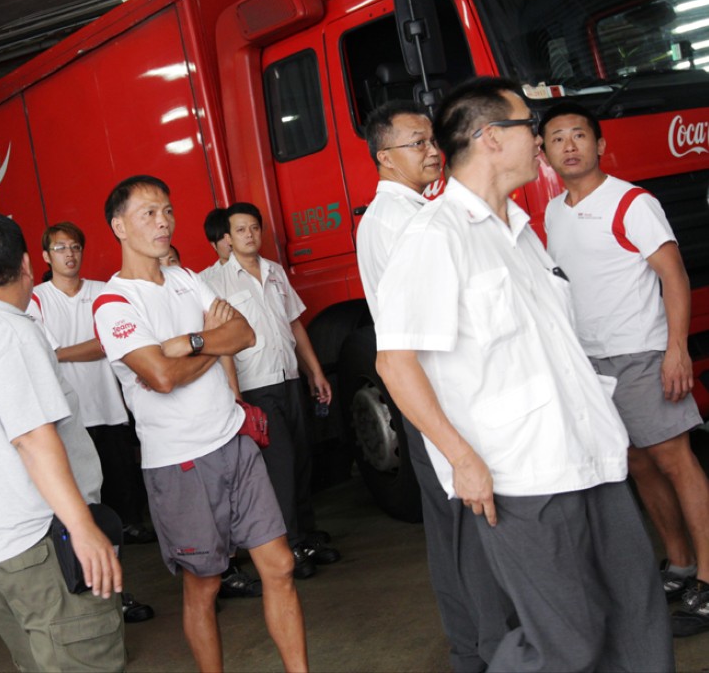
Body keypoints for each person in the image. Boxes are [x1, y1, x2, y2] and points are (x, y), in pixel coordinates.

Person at [374, 77, 672, 670]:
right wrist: (462, 458)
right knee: (567, 642)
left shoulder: (520, 233)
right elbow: (395, 362)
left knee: (637, 623)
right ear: (489, 138)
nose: (540, 140)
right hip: (523, 477)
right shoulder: (435, 237)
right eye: (529, 127)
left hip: (594, 459)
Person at [94, 175, 307, 672]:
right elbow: (163, 378)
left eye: (167, 210)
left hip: (233, 440)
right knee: (205, 584)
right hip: (180, 462)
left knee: (279, 566)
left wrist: (190, 342)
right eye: (148, 213)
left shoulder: (187, 278)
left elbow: (244, 332)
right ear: (119, 226)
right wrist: (211, 340)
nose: (163, 221)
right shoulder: (114, 304)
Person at [0, 213, 125, 672]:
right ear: (30, 265)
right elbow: (33, 439)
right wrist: (84, 529)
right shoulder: (13, 331)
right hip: (42, 546)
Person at [541, 101, 709, 636]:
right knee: (636, 463)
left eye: (578, 136)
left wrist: (676, 349)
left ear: (600, 145)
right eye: (557, 138)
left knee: (675, 460)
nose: (569, 145)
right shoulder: (554, 211)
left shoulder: (631, 202)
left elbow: (674, 275)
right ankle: (680, 565)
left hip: (641, 352)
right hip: (591, 362)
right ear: (543, 154)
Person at [356, 101, 508, 671]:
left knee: (453, 531)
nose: (431, 151)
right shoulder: (400, 221)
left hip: (436, 394)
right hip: (435, 396)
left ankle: (473, 647)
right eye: (416, 143)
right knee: (468, 528)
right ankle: (486, 648)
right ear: (384, 159)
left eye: (430, 140)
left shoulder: (412, 212)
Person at [206, 201, 340, 579]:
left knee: (301, 459)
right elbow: (221, 343)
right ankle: (290, 546)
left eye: (255, 228)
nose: (250, 235)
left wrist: (314, 372)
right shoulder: (216, 283)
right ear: (227, 239)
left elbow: (295, 325)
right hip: (256, 388)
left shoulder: (276, 272)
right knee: (279, 468)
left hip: (289, 378)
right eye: (241, 230)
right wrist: (234, 396)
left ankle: (308, 535)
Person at [29, 221, 155, 623]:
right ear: (46, 257)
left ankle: (119, 593)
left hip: (110, 414)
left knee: (115, 515)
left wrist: (62, 352)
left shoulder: (104, 293)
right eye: (60, 248)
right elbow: (42, 354)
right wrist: (85, 349)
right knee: (80, 512)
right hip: (68, 423)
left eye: (75, 247)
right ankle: (90, 598)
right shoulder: (36, 300)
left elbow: (108, 344)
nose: (70, 254)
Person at [198, 207, 231, 282]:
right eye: (223, 238)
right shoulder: (204, 279)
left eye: (231, 235)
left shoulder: (259, 267)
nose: (230, 241)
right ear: (214, 245)